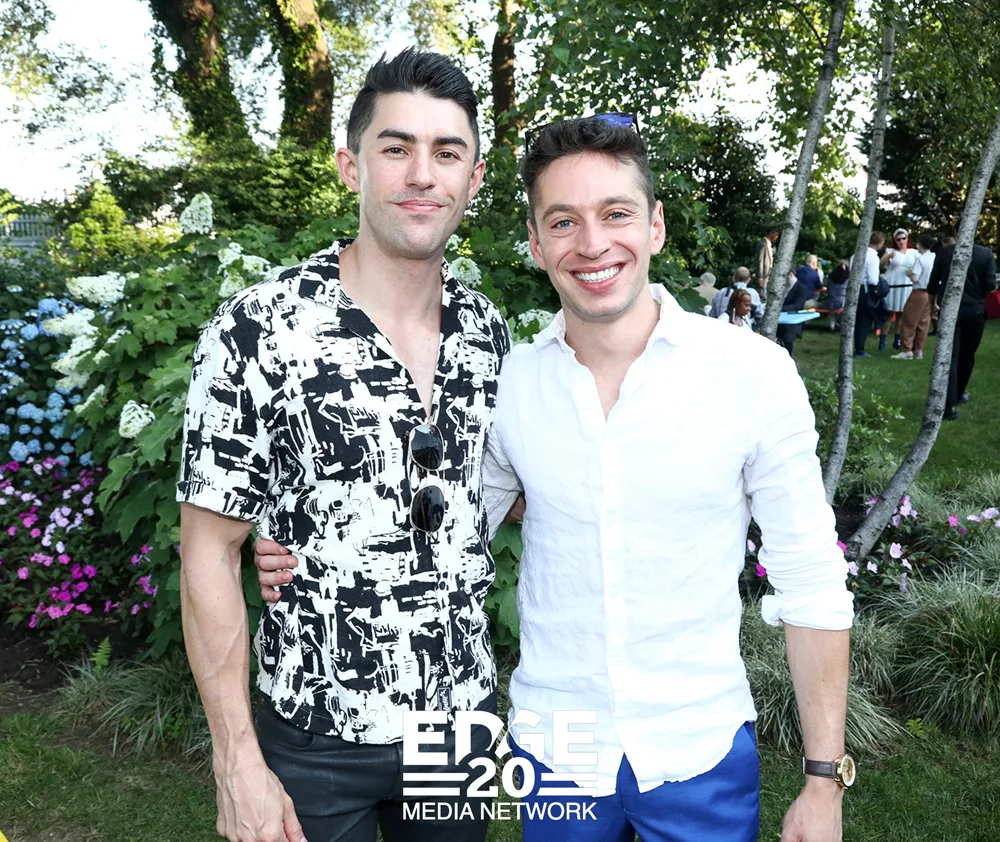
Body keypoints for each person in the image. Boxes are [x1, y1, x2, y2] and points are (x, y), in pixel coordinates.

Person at [261, 116, 854, 842]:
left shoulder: (750, 374)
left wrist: (823, 780)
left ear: (655, 227)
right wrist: (296, 544)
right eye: (564, 222)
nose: (592, 243)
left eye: (616, 214)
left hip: (698, 745)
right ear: (538, 245)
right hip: (557, 748)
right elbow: (440, 527)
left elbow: (811, 576)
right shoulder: (509, 385)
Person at [176, 49, 512, 842]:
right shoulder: (259, 329)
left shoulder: (488, 334)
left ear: (474, 178)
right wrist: (236, 760)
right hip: (315, 732)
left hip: (459, 722)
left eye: (447, 152)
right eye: (396, 148)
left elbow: (501, 491)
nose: (422, 174)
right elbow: (208, 550)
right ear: (350, 166)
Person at [928, 236, 998, 420]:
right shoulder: (986, 254)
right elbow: (990, 287)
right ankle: (958, 393)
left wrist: (931, 307)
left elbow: (932, 285)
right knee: (967, 355)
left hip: (950, 309)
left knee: (949, 356)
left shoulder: (944, 253)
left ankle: (948, 404)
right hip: (974, 310)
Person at [891, 234, 936, 360]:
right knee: (923, 323)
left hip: (918, 292)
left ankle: (906, 350)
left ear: (921, 245)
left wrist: (909, 273)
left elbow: (915, 278)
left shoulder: (921, 259)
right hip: (930, 293)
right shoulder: (934, 257)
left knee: (909, 321)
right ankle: (918, 350)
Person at [881, 228, 918, 351]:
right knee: (889, 314)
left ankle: (897, 340)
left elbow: (919, 267)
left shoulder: (914, 252)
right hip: (892, 284)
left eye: (903, 238)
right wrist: (889, 256)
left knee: (901, 314)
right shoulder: (890, 251)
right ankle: (882, 340)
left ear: (907, 238)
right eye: (898, 239)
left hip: (906, 285)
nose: (901, 241)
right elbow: (880, 264)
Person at [853, 231, 887, 359]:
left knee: (856, 319)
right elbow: (873, 279)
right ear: (880, 243)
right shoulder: (873, 257)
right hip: (865, 290)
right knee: (865, 320)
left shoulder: (855, 254)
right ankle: (860, 350)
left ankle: (856, 346)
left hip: (854, 288)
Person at [775, 272, 814, 357]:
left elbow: (797, 306)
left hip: (792, 323)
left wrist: (777, 309)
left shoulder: (802, 289)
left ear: (790, 274)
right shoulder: (781, 287)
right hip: (778, 320)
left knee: (787, 338)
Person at [756, 227, 779, 294]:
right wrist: (760, 277)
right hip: (764, 275)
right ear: (771, 233)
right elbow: (760, 261)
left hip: (768, 275)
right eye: (776, 234)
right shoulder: (762, 244)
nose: (777, 237)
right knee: (763, 293)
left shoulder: (769, 244)